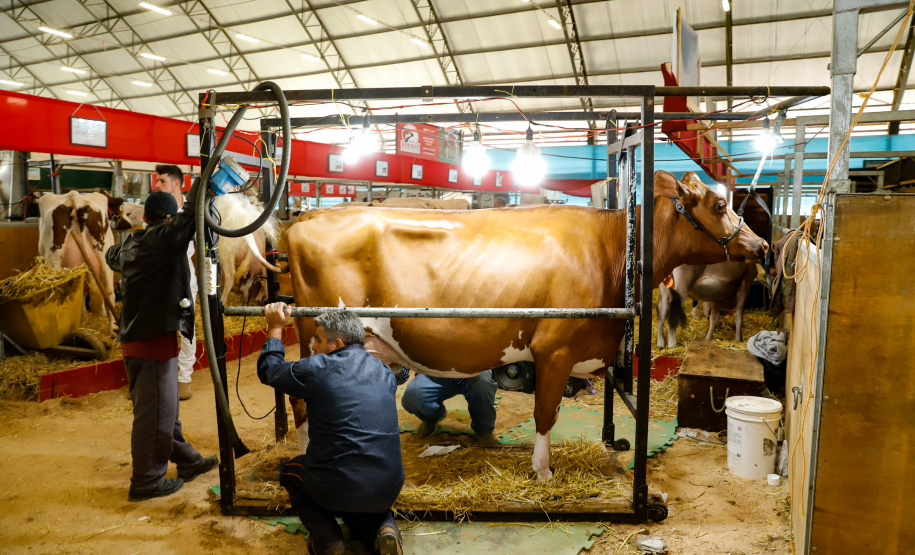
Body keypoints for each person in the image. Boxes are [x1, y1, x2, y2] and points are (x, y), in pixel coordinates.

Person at [258, 305, 405, 555]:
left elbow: (269, 370)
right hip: (389, 486)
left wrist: (275, 327)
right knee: (365, 490)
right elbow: (403, 372)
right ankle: (385, 528)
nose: (313, 346)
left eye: (317, 339)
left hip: (336, 486)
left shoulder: (317, 368)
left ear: (336, 344)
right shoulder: (384, 372)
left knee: (290, 472)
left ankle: (327, 541)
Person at [105, 188, 218, 502]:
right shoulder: (163, 242)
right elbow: (184, 225)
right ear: (168, 220)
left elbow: (110, 255)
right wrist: (203, 186)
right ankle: (147, 480)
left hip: (139, 339)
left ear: (145, 217)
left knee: (165, 409)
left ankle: (187, 460)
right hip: (152, 341)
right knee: (154, 414)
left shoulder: (130, 245)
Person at [155, 164, 196, 401]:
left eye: (161, 181)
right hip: (160, 275)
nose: (157, 185)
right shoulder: (156, 208)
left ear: (176, 184)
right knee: (160, 325)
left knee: (186, 326)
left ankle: (184, 378)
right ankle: (162, 377)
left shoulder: (192, 210)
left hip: (185, 275)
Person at [400, 372, 498, 445]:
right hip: (437, 368)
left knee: (482, 383)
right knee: (413, 395)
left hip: (473, 367)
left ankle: (483, 429)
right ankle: (432, 416)